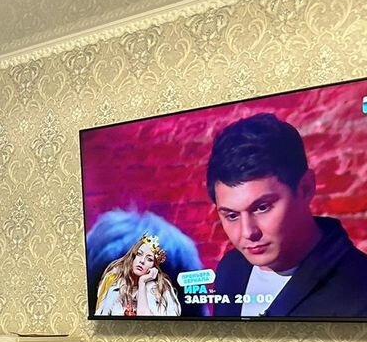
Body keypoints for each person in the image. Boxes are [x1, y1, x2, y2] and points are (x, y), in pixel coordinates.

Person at [206, 113, 367, 318]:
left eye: (262, 207)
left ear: (306, 188)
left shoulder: (360, 290)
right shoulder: (231, 268)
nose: (248, 232)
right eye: (231, 215)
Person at [94, 234, 182, 316]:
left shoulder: (161, 289)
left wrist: (142, 282)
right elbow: (101, 315)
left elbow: (146, 320)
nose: (142, 261)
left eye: (149, 259)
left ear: (154, 267)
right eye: (139, 254)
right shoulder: (114, 281)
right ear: (133, 256)